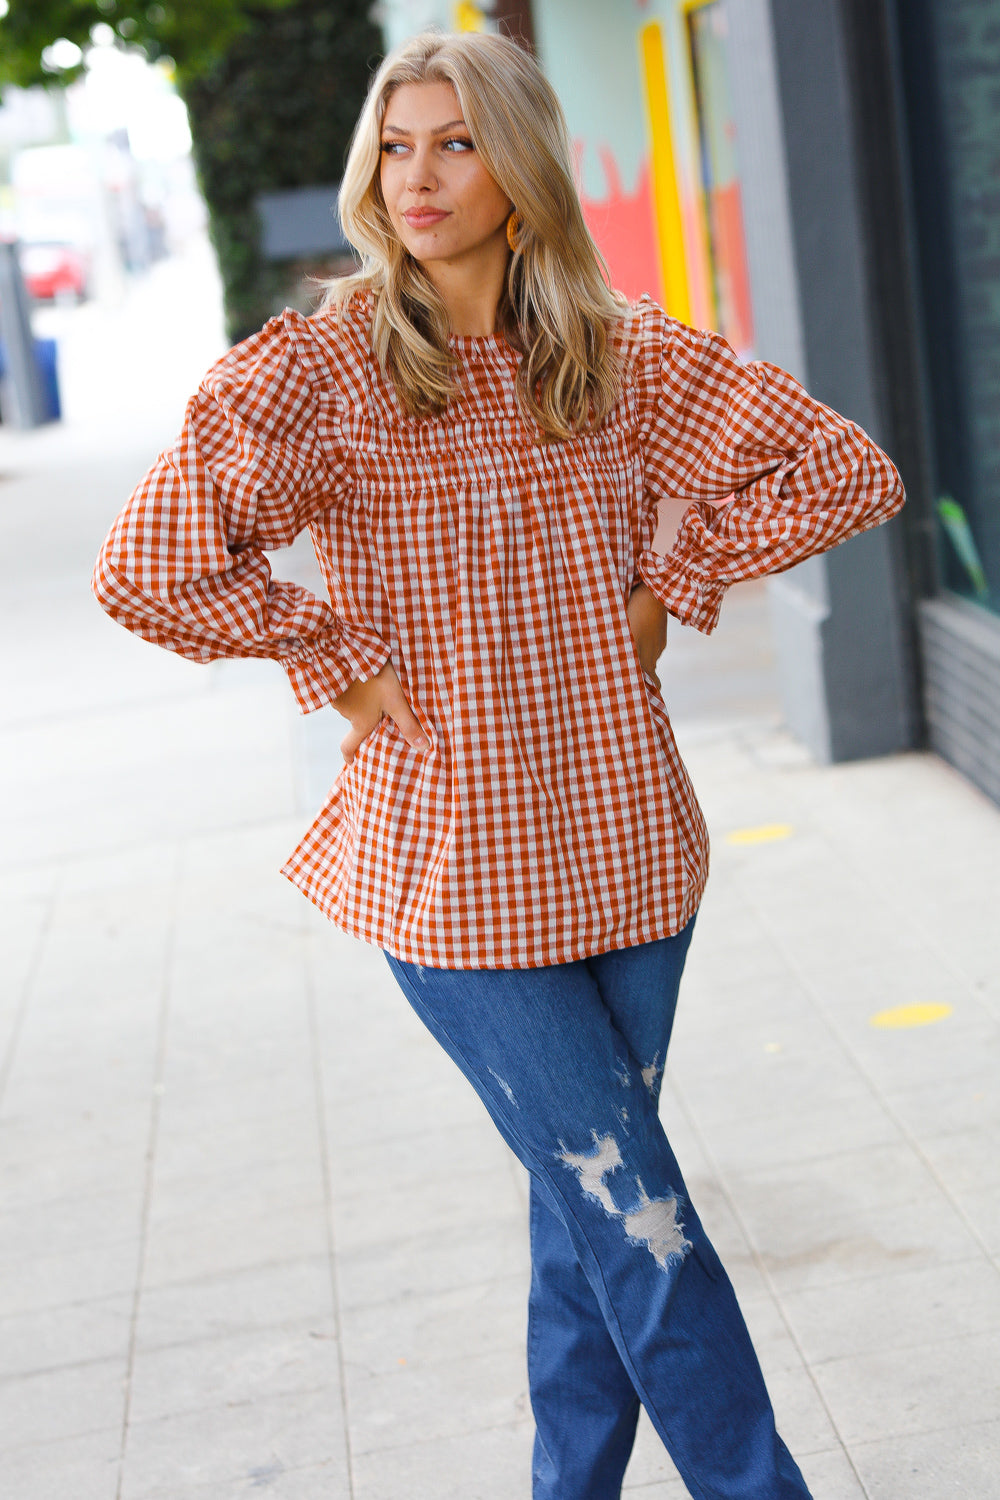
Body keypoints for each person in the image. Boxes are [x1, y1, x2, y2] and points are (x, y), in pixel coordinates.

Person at [93, 29, 904, 1500]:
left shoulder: (625, 352)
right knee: (642, 1222)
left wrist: (680, 580)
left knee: (586, 1224)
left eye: (454, 143)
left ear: (519, 168)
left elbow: (846, 468)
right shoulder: (325, 370)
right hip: (462, 887)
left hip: (634, 852)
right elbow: (149, 565)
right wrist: (329, 654)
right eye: (395, 144)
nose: (416, 175)